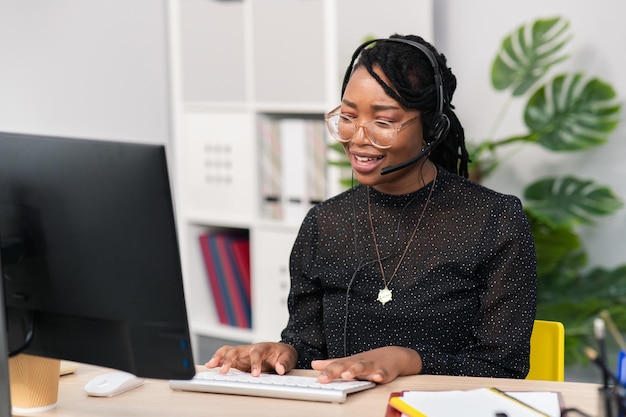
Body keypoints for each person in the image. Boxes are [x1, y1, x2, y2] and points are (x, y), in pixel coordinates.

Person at [206, 34, 537, 384]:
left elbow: (503, 369)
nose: (358, 137)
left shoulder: (495, 219)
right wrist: (283, 355)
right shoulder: (323, 223)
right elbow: (308, 348)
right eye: (348, 116)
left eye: (383, 121)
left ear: (433, 127)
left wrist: (407, 359)